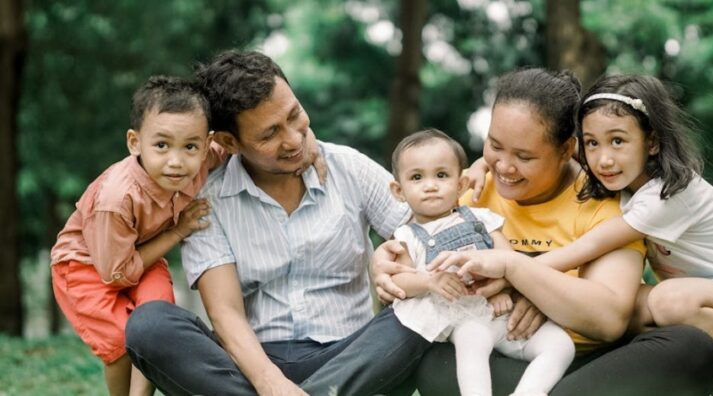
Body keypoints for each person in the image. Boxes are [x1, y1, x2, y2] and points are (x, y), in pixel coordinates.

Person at [374, 68, 713, 396]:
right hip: (497, 356)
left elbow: (609, 318)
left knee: (690, 349)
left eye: (524, 156)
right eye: (494, 145)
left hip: (590, 361)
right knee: (434, 360)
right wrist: (385, 263)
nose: (505, 167)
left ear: (567, 149)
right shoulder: (470, 188)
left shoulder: (607, 194)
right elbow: (413, 257)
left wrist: (524, 278)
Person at [124, 49, 430, 396]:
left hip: (353, 356)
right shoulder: (208, 201)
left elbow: (432, 232)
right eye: (269, 135)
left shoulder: (348, 168)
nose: (294, 139)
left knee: (428, 304)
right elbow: (225, 314)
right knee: (150, 325)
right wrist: (272, 385)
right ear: (228, 143)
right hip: (254, 366)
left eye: (295, 114)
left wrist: (392, 260)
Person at [51, 75, 222, 396]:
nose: (176, 161)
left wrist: (307, 148)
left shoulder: (202, 157)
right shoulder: (116, 199)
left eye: (190, 146)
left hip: (143, 252)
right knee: (118, 342)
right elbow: (116, 273)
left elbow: (237, 147)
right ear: (134, 143)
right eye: (161, 145)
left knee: (156, 323)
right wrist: (180, 229)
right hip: (87, 265)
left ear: (205, 143)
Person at [388, 129, 574, 396]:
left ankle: (530, 392)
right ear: (399, 190)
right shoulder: (408, 236)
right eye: (417, 177)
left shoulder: (481, 220)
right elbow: (400, 281)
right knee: (471, 349)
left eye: (441, 175)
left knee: (561, 344)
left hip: (504, 314)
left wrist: (503, 289)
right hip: (465, 318)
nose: (430, 185)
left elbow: (509, 260)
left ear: (461, 184)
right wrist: (429, 281)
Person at [537, 74, 713, 345]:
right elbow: (548, 156)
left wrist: (516, 271)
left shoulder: (669, 194)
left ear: (652, 142)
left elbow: (588, 246)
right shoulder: (627, 179)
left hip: (702, 292)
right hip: (701, 292)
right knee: (611, 307)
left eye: (618, 141)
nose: (604, 159)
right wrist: (485, 165)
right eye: (592, 143)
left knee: (668, 301)